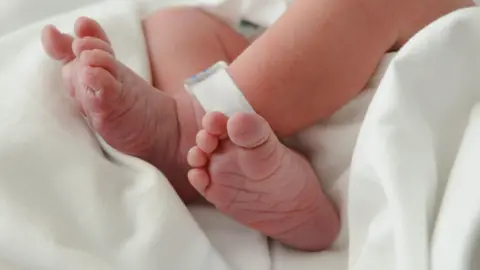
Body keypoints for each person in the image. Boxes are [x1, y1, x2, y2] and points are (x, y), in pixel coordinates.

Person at [40, 0, 475, 251]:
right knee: (177, 24)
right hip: (286, 81)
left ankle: (190, 125)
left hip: (405, 72)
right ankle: (278, 178)